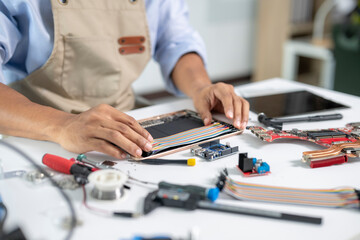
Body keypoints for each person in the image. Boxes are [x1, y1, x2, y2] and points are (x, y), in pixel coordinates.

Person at [0, 0, 249, 159]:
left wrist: (201, 87)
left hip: (128, 127)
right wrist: (62, 125)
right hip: (35, 131)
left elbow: (177, 42)